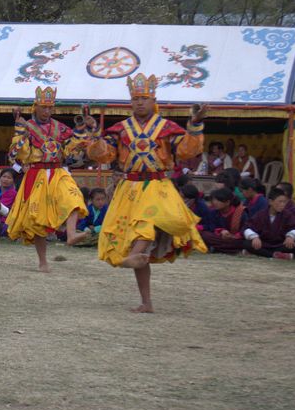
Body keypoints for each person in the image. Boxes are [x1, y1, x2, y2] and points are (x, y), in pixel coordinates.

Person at [82, 74, 208, 313]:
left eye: (144, 98)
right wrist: (94, 134)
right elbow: (102, 155)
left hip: (157, 185)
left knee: (146, 220)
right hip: (129, 188)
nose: (139, 103)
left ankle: (135, 254)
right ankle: (146, 301)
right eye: (136, 98)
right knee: (138, 237)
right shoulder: (120, 130)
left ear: (153, 100)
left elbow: (187, 150)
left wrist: (195, 123)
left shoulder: (166, 128)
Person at [5, 85, 88, 271]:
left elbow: (72, 147)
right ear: (36, 107)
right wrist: (20, 133)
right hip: (37, 174)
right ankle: (43, 261)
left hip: (58, 171)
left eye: (50, 107)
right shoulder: (27, 126)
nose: (47, 111)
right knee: (38, 221)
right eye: (44, 107)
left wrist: (82, 127)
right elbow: (19, 153)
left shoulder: (60, 127)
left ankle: (72, 234)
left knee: (74, 196)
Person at [242, 187, 295, 259]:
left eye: (284, 202)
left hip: (280, 244)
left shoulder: (287, 214)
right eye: (280, 202)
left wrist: (290, 236)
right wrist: (254, 237)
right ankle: (275, 255)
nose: (282, 204)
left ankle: (264, 254)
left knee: (294, 245)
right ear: (270, 202)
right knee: (247, 244)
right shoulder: (261, 214)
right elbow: (248, 227)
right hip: (263, 243)